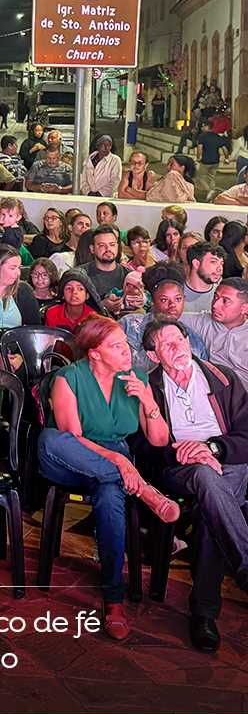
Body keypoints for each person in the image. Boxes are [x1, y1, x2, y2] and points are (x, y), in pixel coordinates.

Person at [38, 315, 178, 639]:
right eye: (116, 346)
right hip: (72, 457)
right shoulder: (68, 377)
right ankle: (145, 491)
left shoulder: (136, 378)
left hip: (114, 469)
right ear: (95, 353)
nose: (126, 351)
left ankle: (113, 600)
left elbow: (158, 440)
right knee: (50, 439)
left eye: (125, 344)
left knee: (111, 492)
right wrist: (118, 460)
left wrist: (147, 400)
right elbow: (71, 436)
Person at [136, 318, 248, 653]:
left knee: (210, 509)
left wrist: (212, 447)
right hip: (179, 469)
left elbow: (246, 435)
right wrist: (181, 452)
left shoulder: (224, 379)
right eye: (166, 344)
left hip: (229, 465)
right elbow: (142, 448)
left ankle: (204, 614)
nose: (177, 347)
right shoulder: (148, 387)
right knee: (205, 478)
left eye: (179, 339)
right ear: (154, 355)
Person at [180, 278, 248, 389]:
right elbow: (171, 317)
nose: (215, 305)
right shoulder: (204, 322)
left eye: (225, 301)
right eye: (216, 297)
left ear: (245, 308)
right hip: (210, 389)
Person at [182, 242, 224, 315]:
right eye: (213, 262)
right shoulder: (175, 292)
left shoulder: (223, 295)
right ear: (196, 264)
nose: (220, 268)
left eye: (221, 263)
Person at [195, 120, 231, 201]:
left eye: (203, 126)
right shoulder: (217, 136)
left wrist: (198, 157)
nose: (202, 127)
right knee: (211, 177)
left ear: (207, 127)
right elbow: (224, 148)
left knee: (200, 177)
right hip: (215, 161)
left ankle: (210, 191)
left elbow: (199, 148)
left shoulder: (202, 136)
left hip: (206, 161)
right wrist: (226, 158)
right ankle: (212, 195)